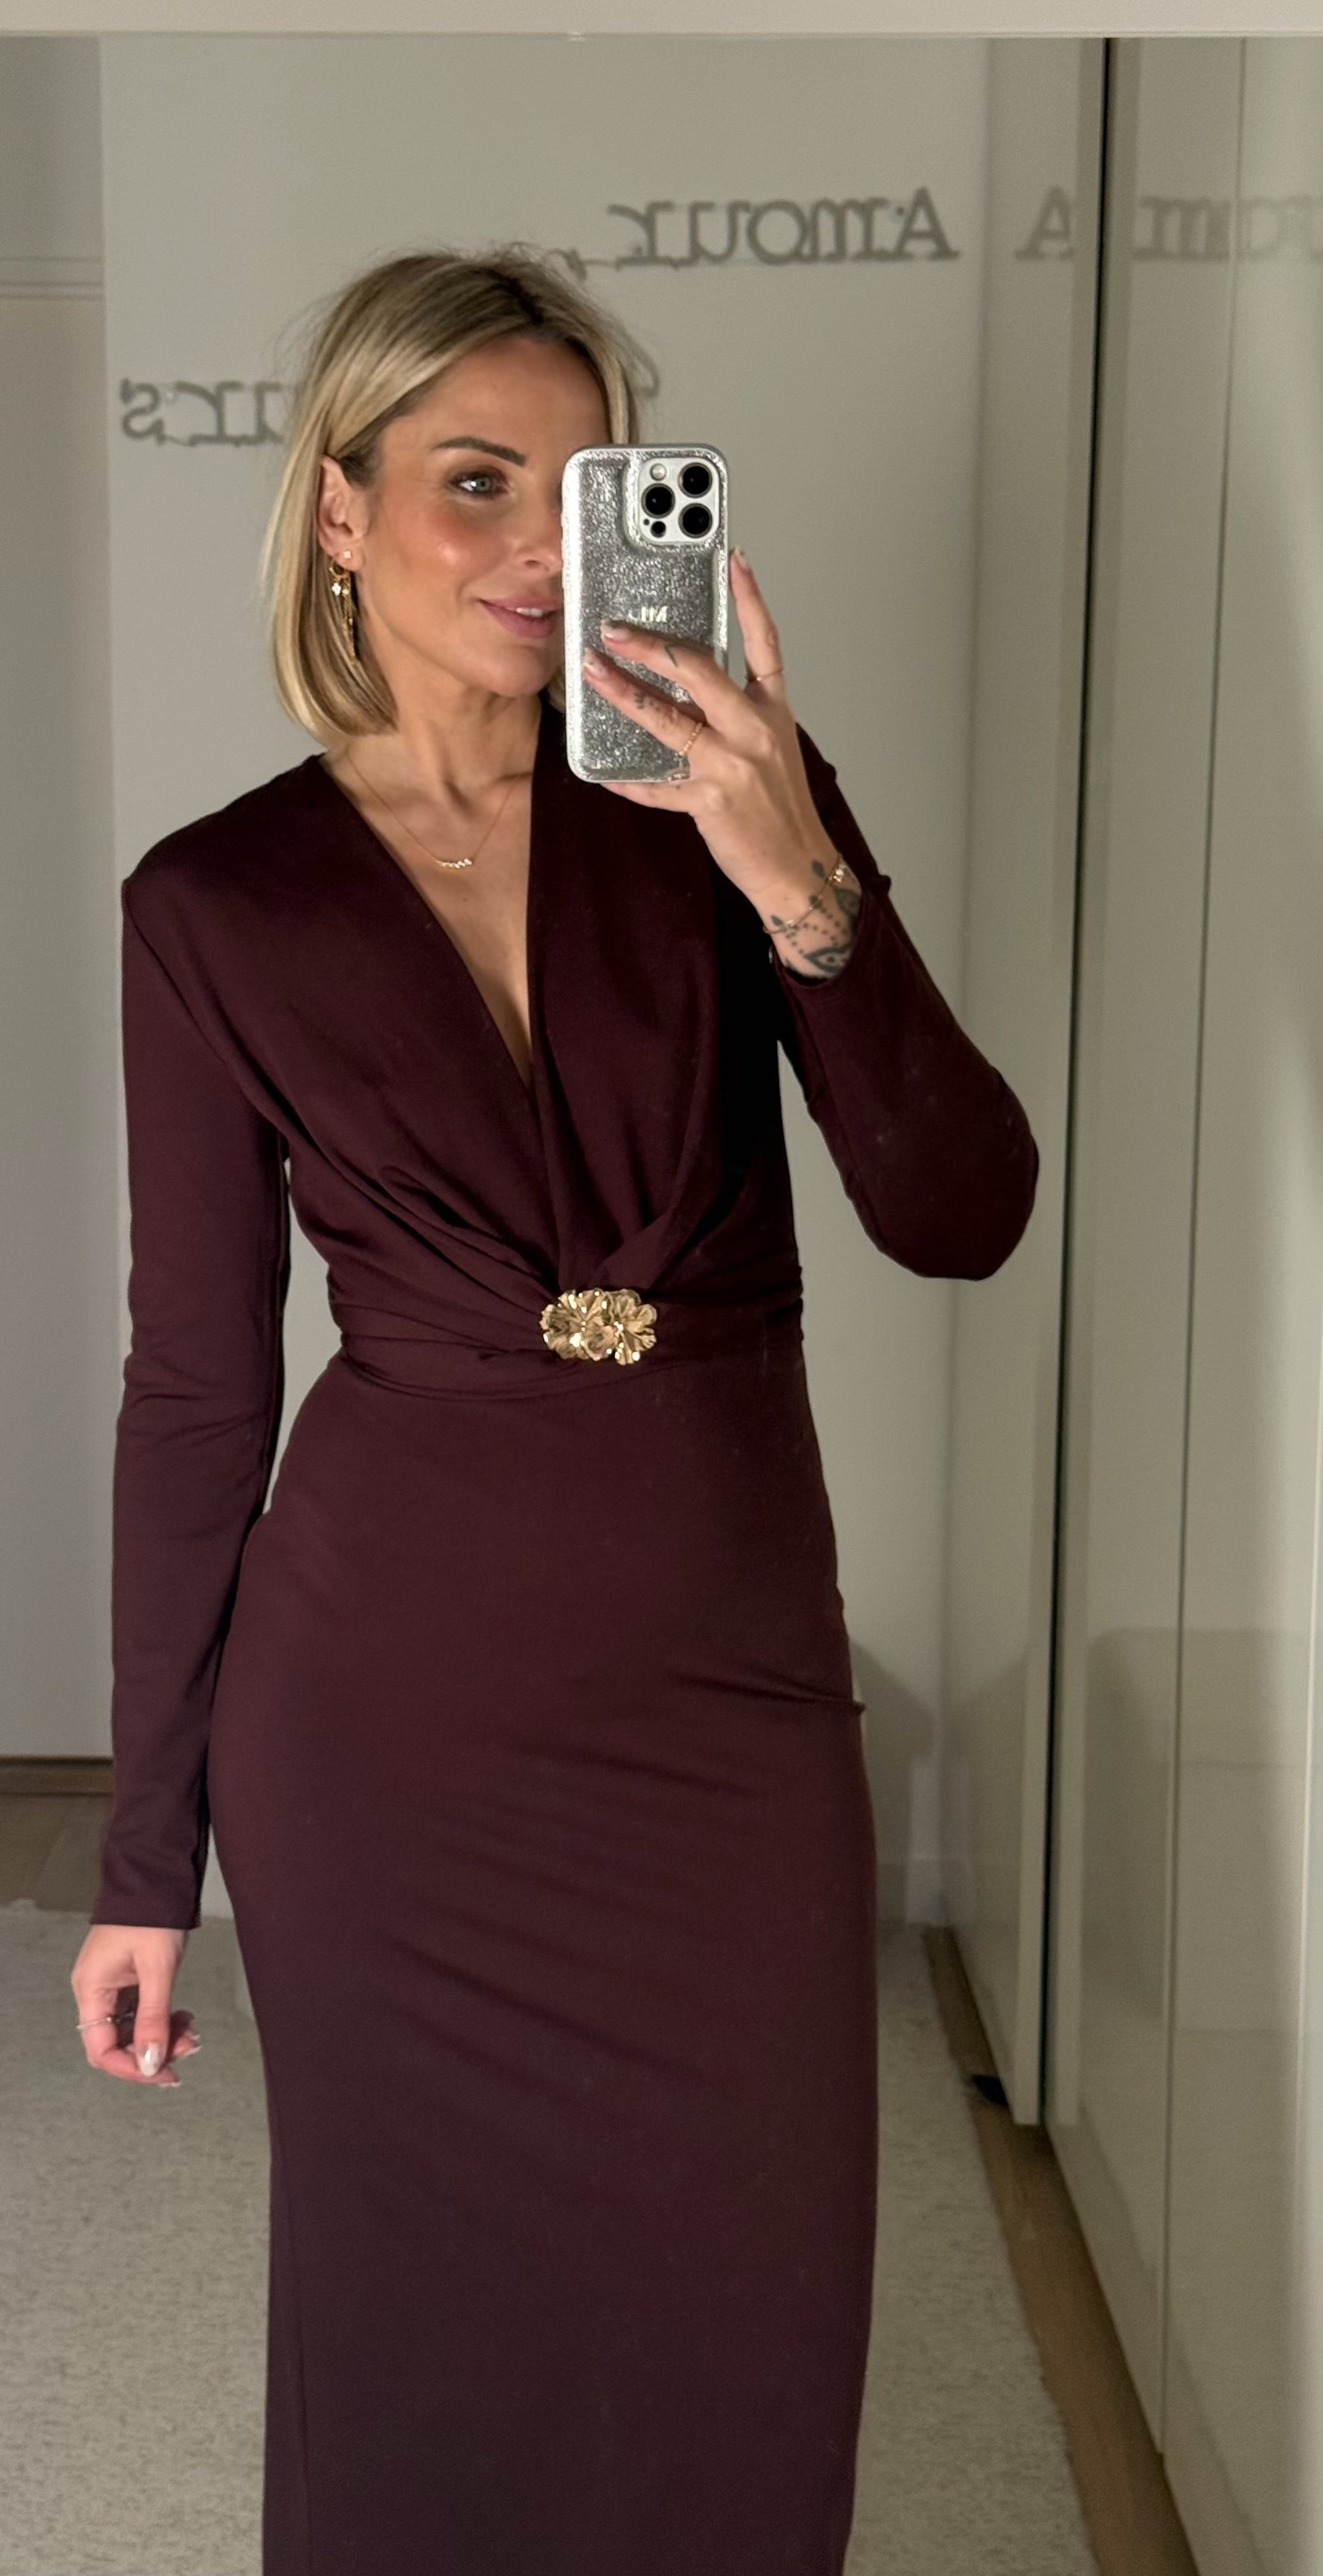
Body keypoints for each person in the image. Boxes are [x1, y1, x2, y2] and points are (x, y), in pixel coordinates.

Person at [70, 243, 1037, 2574]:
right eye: (473, 478)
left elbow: (962, 1215)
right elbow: (196, 1393)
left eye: (588, 484)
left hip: (718, 1694)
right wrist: (143, 1861)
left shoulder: (725, 814)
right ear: (339, 508)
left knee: (746, 2331)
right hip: (385, 1724)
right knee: (418, 2342)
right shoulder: (212, 903)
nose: (533, 542)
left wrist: (804, 885)